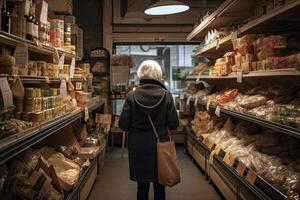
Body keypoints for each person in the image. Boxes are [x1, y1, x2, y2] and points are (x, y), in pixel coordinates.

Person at [119, 60, 179, 200]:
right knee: (160, 184)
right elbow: (174, 124)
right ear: (158, 74)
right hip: (160, 145)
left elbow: (123, 125)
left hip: (138, 146)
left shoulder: (131, 96)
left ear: (141, 74)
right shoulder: (166, 95)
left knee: (142, 186)